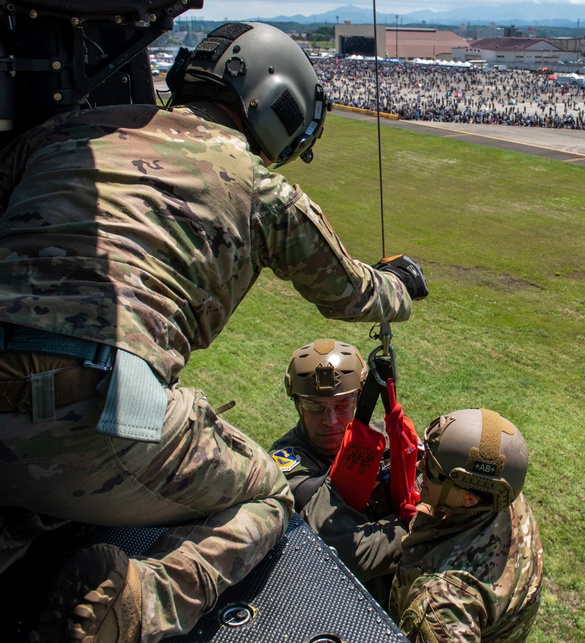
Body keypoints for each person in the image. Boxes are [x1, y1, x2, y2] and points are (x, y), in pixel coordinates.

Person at [0, 21, 427, 643]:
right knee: (269, 493)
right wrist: (401, 287)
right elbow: (352, 292)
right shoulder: (261, 188)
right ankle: (141, 604)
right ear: (274, 99)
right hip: (93, 409)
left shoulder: (64, 134)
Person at [269, 338, 416, 607]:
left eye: (342, 405)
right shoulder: (288, 462)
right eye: (315, 406)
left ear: (360, 399)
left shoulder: (381, 438)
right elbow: (349, 551)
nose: (330, 421)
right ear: (297, 404)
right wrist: (422, 530)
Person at [390, 409, 544, 642]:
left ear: (468, 499)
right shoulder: (501, 498)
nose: (421, 467)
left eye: (432, 470)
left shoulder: (442, 603)